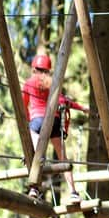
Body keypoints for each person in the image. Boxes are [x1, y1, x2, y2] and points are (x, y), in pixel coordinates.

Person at [22, 54, 89, 204]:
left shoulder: (29, 83)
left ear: (34, 68)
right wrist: (82, 108)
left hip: (37, 121)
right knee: (63, 158)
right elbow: (63, 101)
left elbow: (23, 103)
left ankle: (34, 188)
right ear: (48, 69)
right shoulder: (52, 83)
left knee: (35, 156)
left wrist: (28, 121)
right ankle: (73, 192)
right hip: (54, 121)